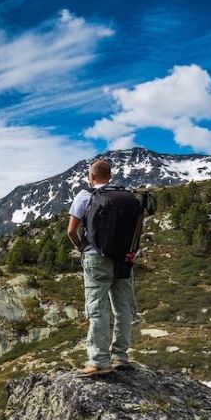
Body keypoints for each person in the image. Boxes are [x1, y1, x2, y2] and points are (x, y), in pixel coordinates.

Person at [66, 159, 143, 377]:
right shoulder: (128, 197)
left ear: (91, 176)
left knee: (97, 308)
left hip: (95, 258)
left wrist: (82, 247)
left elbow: (71, 231)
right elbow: (138, 228)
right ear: (110, 176)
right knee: (123, 308)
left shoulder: (85, 196)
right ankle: (120, 357)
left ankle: (99, 362)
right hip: (123, 258)